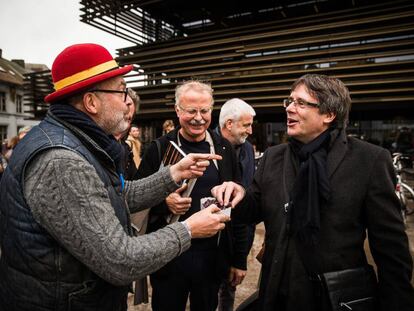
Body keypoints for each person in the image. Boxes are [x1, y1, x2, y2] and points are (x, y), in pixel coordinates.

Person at [0, 43, 230, 311]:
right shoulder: (62, 162)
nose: (127, 102)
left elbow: (115, 195)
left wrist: (173, 173)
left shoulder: (79, 141)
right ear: (91, 102)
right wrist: (188, 229)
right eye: (121, 91)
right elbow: (121, 260)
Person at [213, 74, 414, 311]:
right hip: (277, 293)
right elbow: (253, 209)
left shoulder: (368, 160)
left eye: (301, 103)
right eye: (289, 101)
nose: (289, 109)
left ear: (329, 115)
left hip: (334, 299)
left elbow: (391, 251)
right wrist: (238, 194)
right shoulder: (273, 156)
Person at [136, 81, 248, 311]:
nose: (198, 118)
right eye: (191, 111)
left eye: (204, 111)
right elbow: (135, 198)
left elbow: (238, 209)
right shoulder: (157, 149)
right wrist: (163, 202)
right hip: (169, 257)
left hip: (211, 258)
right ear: (178, 111)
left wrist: (238, 259)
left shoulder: (224, 149)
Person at [215, 98, 256, 311]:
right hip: (211, 244)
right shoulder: (206, 146)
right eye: (246, 125)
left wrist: (241, 257)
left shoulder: (247, 149)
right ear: (229, 124)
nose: (250, 130)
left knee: (228, 292)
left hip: (240, 238)